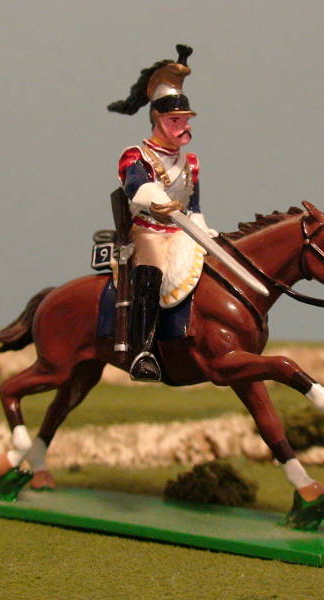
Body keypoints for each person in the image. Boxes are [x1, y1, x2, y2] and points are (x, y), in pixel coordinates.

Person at [108, 45, 215, 382]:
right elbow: (136, 188)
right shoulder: (135, 154)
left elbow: (194, 207)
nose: (183, 127)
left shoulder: (192, 162)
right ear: (158, 119)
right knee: (151, 270)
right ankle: (144, 350)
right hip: (148, 229)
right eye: (175, 121)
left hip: (182, 230)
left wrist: (204, 231)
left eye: (185, 120)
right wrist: (156, 200)